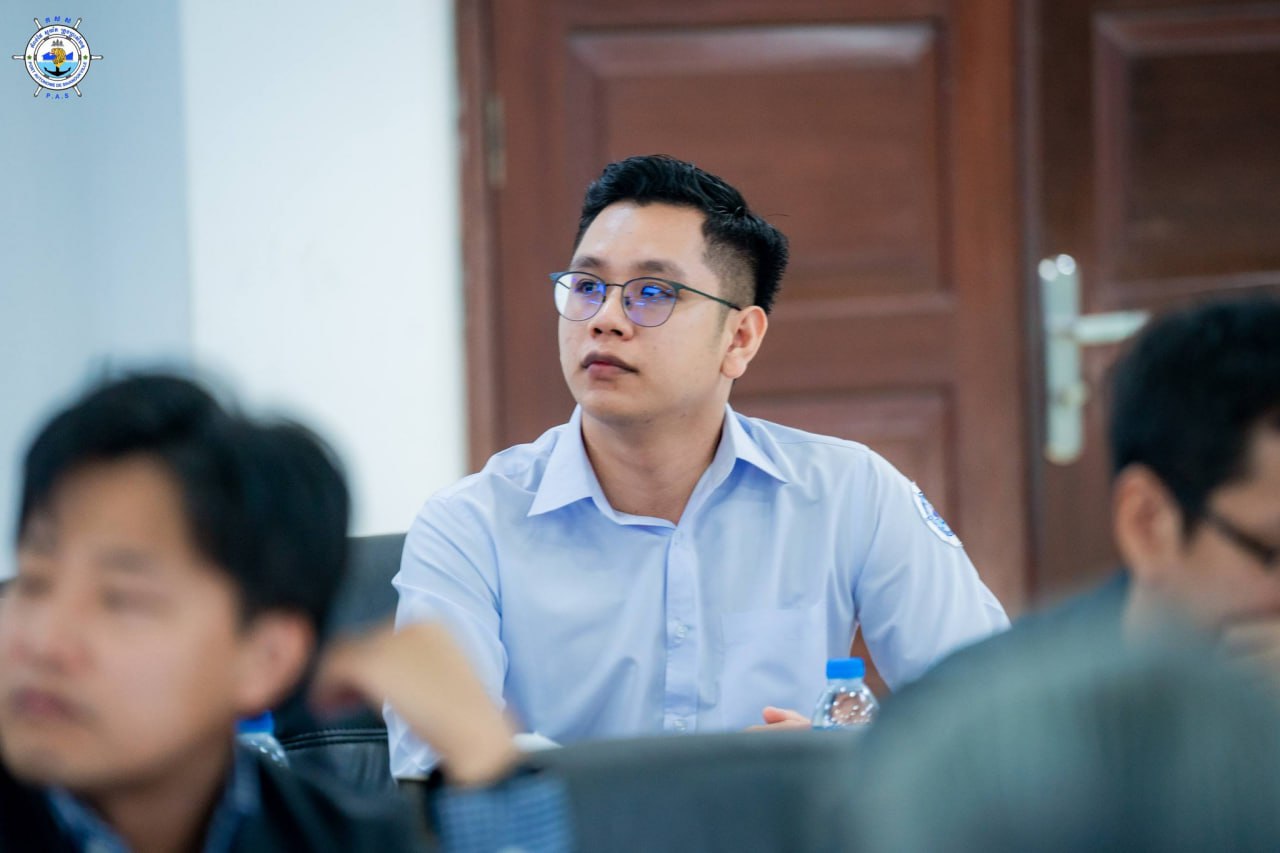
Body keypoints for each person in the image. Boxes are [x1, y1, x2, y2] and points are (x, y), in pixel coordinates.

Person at [389, 154, 1009, 776]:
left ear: (740, 339)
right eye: (587, 287)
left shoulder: (849, 493)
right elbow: (435, 763)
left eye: (653, 293)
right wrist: (698, 787)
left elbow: (995, 711)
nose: (605, 320)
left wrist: (850, 757)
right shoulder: (471, 524)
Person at [0, 374, 569, 853]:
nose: (44, 641)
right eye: (34, 582)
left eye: (120, 599)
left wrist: (484, 759)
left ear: (266, 658)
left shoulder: (340, 840)